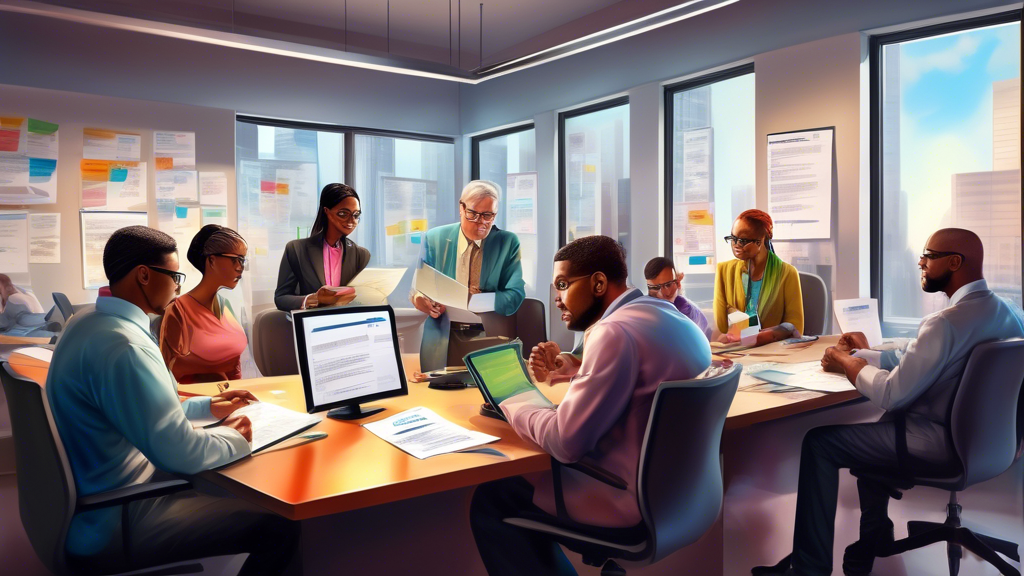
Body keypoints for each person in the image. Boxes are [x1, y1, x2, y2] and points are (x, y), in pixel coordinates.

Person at [755, 228, 1024, 576]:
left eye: (928, 255)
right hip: (994, 448)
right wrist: (865, 353)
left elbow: (893, 394)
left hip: (941, 444)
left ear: (954, 262)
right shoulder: (1008, 312)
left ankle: (809, 568)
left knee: (821, 444)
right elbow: (923, 360)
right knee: (876, 435)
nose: (921, 262)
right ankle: (875, 535)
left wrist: (849, 365)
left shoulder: (945, 323)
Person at [46, 226, 299, 576]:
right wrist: (239, 435)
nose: (178, 286)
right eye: (174, 275)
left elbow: (137, 409)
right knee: (279, 527)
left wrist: (206, 407)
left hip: (97, 503)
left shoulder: (87, 323)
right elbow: (181, 453)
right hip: (126, 513)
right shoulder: (126, 346)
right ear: (145, 275)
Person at [470, 235, 711, 576]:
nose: (557, 299)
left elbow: (565, 443)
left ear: (598, 283)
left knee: (493, 498)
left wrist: (511, 400)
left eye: (563, 285)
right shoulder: (675, 319)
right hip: (684, 498)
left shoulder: (613, 332)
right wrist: (573, 368)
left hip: (625, 499)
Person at [411, 180, 525, 371]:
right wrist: (419, 299)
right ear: (461, 209)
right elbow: (417, 288)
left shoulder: (507, 242)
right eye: (473, 214)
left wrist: (474, 300)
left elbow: (515, 295)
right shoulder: (434, 238)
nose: (481, 222)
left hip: (488, 334)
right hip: (441, 334)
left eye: (488, 215)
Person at [160, 225, 249, 384]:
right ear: (212, 260)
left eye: (243, 260)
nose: (240, 267)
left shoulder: (225, 304)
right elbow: (167, 372)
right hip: (194, 401)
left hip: (230, 396)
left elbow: (235, 365)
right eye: (235, 259)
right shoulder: (178, 310)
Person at [714, 209, 804, 344]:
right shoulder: (724, 271)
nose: (736, 245)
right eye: (733, 238)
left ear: (761, 240)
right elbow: (721, 326)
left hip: (773, 351)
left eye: (743, 240)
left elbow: (796, 327)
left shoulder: (787, 273)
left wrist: (756, 337)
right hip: (735, 350)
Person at [275, 182, 369, 311]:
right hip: (312, 324)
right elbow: (281, 298)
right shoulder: (297, 249)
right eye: (343, 214)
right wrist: (314, 299)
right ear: (326, 211)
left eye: (356, 215)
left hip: (348, 323)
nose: (351, 221)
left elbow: (362, 297)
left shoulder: (361, 255)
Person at [644, 256, 712, 340]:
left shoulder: (686, 310)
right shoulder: (644, 310)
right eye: (654, 288)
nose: (661, 294)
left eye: (668, 285)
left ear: (678, 283)